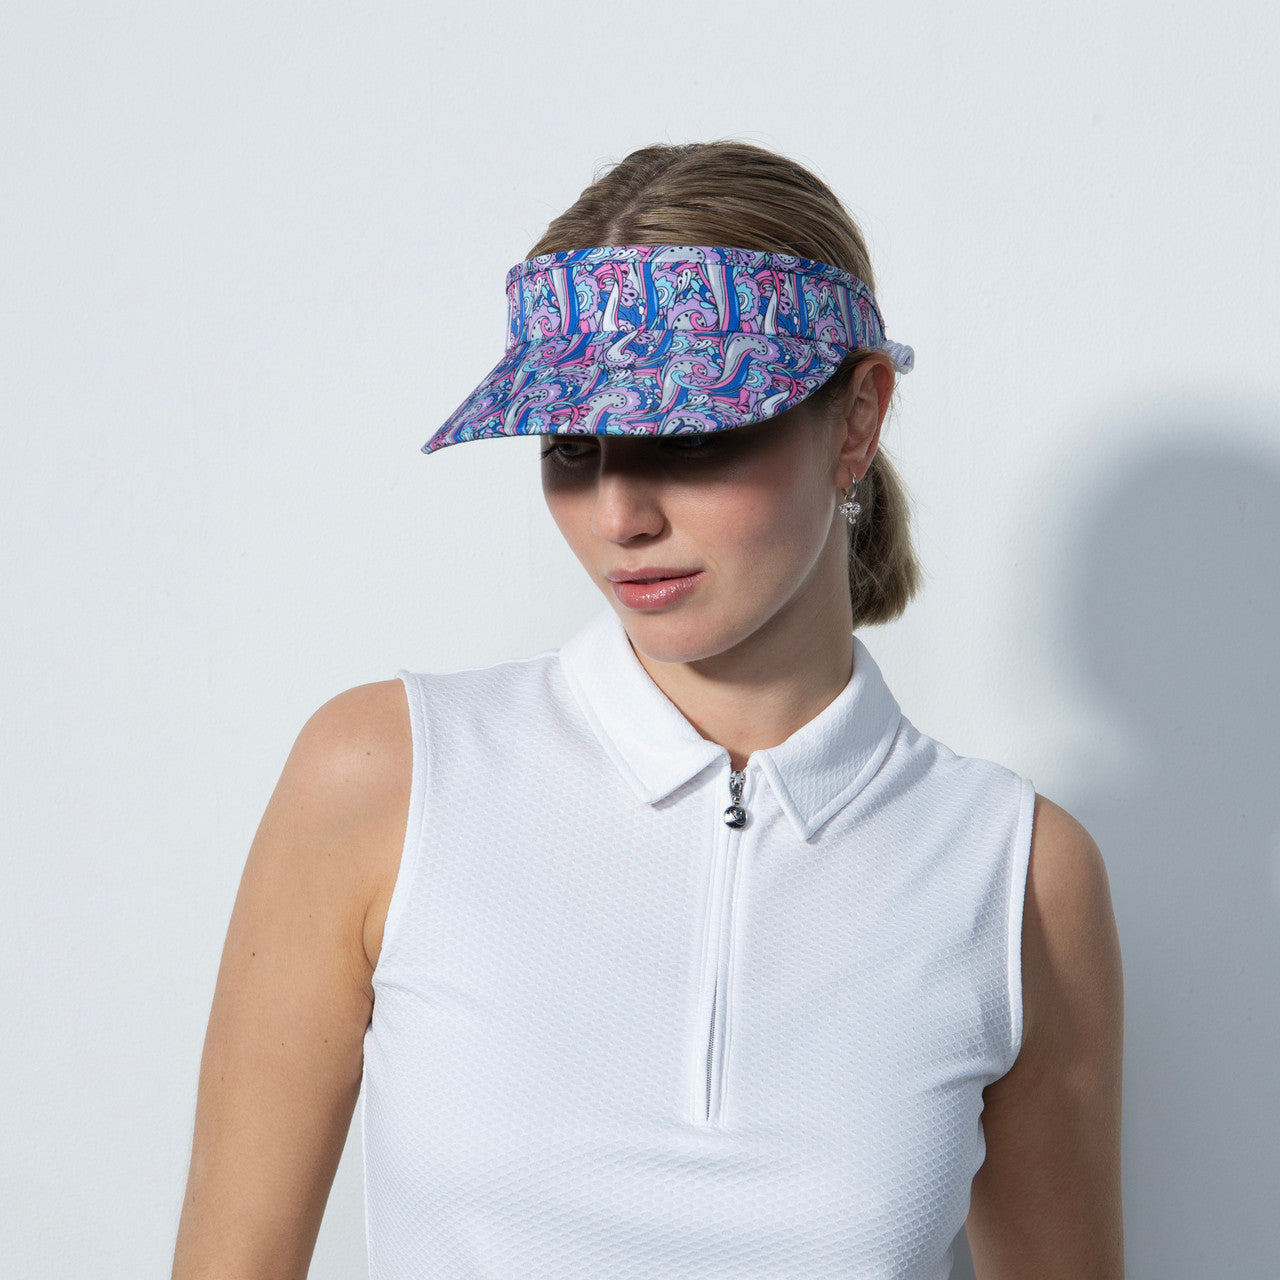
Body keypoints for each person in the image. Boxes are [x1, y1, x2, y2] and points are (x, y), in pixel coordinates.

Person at [171, 141, 1125, 1280]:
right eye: (572, 444)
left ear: (857, 418)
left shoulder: (1015, 872)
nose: (619, 513)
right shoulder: (389, 777)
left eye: (688, 432)